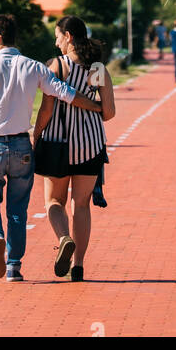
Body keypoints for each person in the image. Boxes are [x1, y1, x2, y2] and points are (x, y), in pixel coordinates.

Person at [0, 13, 102, 282]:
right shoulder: (35, 67)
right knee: (17, 208)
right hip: (21, 145)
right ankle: (14, 266)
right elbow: (66, 94)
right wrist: (97, 107)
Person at [33, 17, 116, 282]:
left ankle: (63, 238)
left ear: (68, 36)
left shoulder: (56, 66)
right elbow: (110, 112)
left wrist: (36, 133)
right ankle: (78, 265)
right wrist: (90, 112)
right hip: (91, 145)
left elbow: (46, 109)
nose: (56, 42)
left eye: (57, 36)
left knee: (54, 202)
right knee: (81, 205)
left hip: (58, 143)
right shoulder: (98, 69)